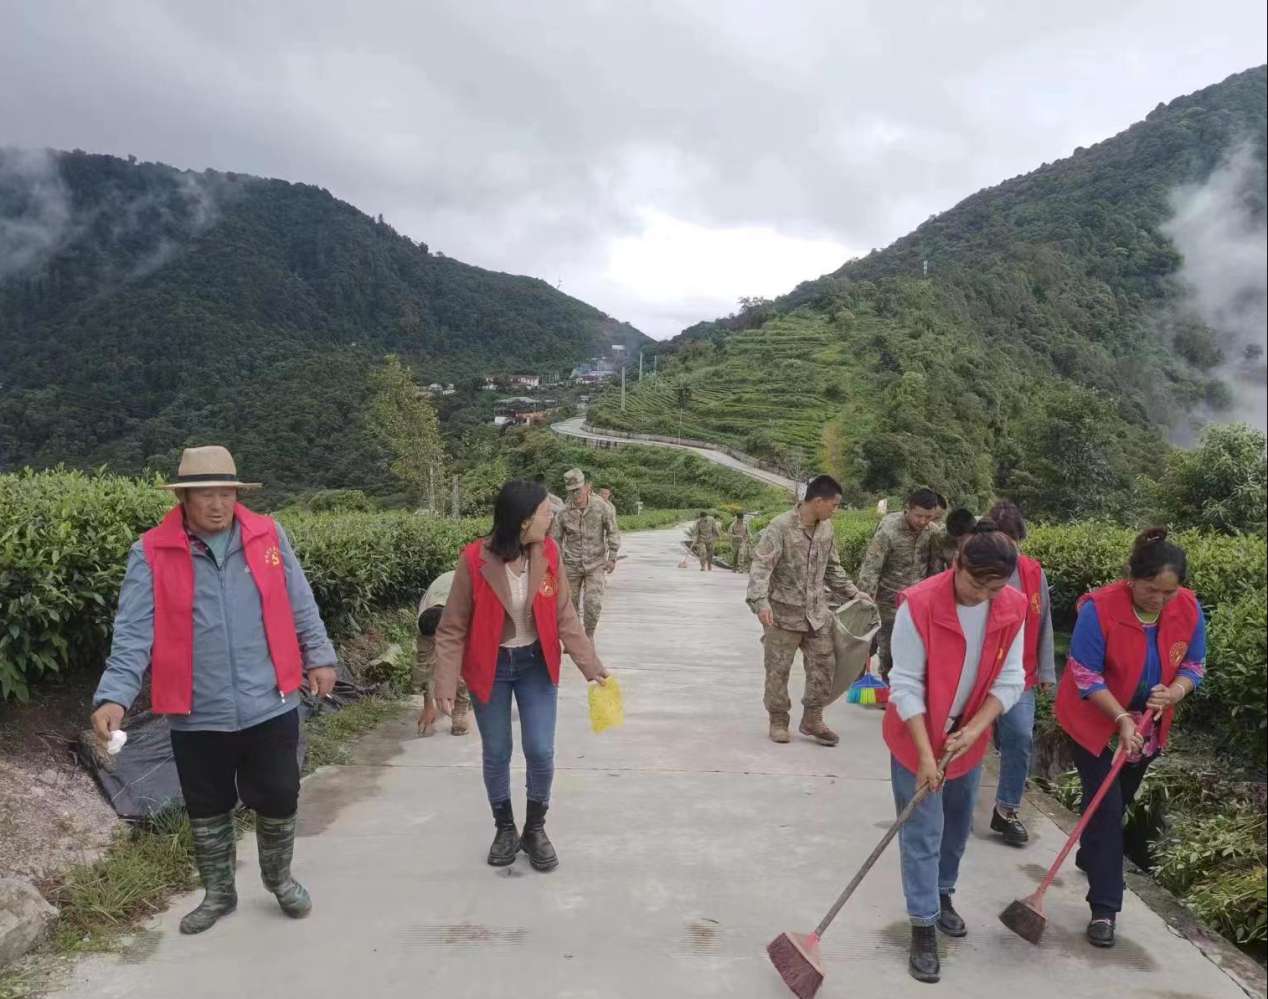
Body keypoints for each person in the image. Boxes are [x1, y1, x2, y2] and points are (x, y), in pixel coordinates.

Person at [90, 446, 337, 935]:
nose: (219, 504)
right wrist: (114, 694)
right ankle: (219, 893)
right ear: (184, 498)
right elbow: (134, 632)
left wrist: (321, 655)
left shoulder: (268, 535)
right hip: (195, 709)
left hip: (271, 699)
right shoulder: (151, 552)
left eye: (227, 493)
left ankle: (279, 879)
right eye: (206, 494)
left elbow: (299, 600)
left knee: (280, 794)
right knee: (207, 805)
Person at [434, 479, 609, 871]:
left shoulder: (548, 553)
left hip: (535, 664)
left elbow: (565, 614)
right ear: (525, 519)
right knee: (497, 752)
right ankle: (504, 828)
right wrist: (444, 681)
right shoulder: (474, 560)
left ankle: (535, 828)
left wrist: (590, 664)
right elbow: (452, 627)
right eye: (547, 512)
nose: (553, 517)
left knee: (541, 749)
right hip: (491, 667)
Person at [883, 520, 1027, 983]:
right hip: (916, 735)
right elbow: (904, 683)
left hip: (968, 736)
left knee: (958, 824)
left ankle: (943, 893)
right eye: (974, 583)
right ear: (956, 563)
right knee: (922, 830)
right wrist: (926, 755)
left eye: (995, 588)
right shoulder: (920, 603)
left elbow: (1011, 680)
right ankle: (923, 925)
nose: (982, 596)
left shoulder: (1012, 606)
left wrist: (976, 727)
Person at [1055, 528, 1206, 949]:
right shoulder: (1099, 609)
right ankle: (1105, 908)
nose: (1159, 600)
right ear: (1131, 577)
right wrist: (1121, 718)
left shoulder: (1188, 609)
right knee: (1106, 806)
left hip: (1148, 729)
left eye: (1168, 593)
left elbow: (1195, 665)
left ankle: (1091, 854)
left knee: (1117, 800)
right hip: (1098, 723)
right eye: (1151, 589)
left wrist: (1175, 690)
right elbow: (1085, 673)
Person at [747, 475, 869, 746]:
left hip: (817, 614)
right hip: (782, 615)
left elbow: (833, 568)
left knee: (824, 666)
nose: (835, 511)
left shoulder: (826, 530)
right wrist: (760, 602)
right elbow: (761, 566)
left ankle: (813, 718)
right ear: (817, 501)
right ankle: (778, 720)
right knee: (778, 670)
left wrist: (852, 591)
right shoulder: (779, 527)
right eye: (834, 505)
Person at [984, 500, 1056, 846]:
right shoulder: (973, 569)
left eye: (1012, 539)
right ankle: (950, 800)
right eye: (1000, 538)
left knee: (1020, 737)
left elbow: (1042, 623)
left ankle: (1007, 809)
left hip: (1019, 675)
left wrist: (1046, 670)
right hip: (976, 674)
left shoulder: (1032, 572)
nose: (1007, 547)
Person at [858, 487, 942, 681]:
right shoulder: (889, 529)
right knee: (888, 646)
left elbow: (935, 569)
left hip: (916, 602)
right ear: (908, 509)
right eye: (918, 516)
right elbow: (872, 567)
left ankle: (897, 685)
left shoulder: (932, 532)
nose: (922, 521)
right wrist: (865, 599)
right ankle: (888, 686)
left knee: (911, 647)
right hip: (888, 600)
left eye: (928, 517)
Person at [550, 468, 621, 638]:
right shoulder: (563, 513)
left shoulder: (602, 507)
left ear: (587, 487)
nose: (576, 495)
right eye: (571, 491)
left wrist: (612, 558)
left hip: (596, 563)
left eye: (578, 490)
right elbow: (555, 540)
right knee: (570, 604)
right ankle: (576, 637)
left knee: (593, 602)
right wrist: (556, 564)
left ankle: (589, 635)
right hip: (571, 565)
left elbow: (613, 532)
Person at [414, 571, 470, 736]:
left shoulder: (463, 613)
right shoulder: (423, 622)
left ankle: (460, 709)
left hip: (466, 591)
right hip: (443, 589)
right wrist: (428, 706)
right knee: (429, 658)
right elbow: (424, 663)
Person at [928, 507, 976, 575]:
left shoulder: (985, 537)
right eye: (955, 540)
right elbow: (935, 572)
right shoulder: (941, 538)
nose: (959, 545)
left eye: (963, 540)